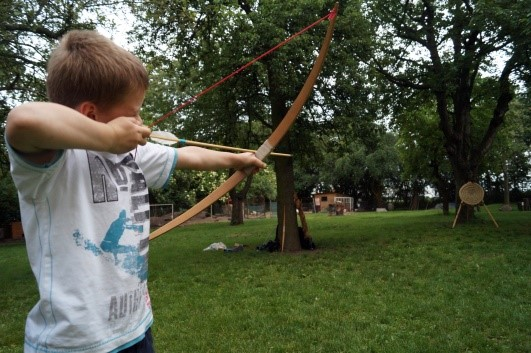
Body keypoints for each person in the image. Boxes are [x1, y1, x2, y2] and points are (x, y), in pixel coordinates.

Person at [5, 30, 266, 353]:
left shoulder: (131, 155)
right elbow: (21, 120)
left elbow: (188, 156)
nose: (141, 121)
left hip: (135, 327)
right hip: (75, 343)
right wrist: (108, 138)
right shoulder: (51, 162)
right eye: (133, 113)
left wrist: (237, 159)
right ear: (90, 114)